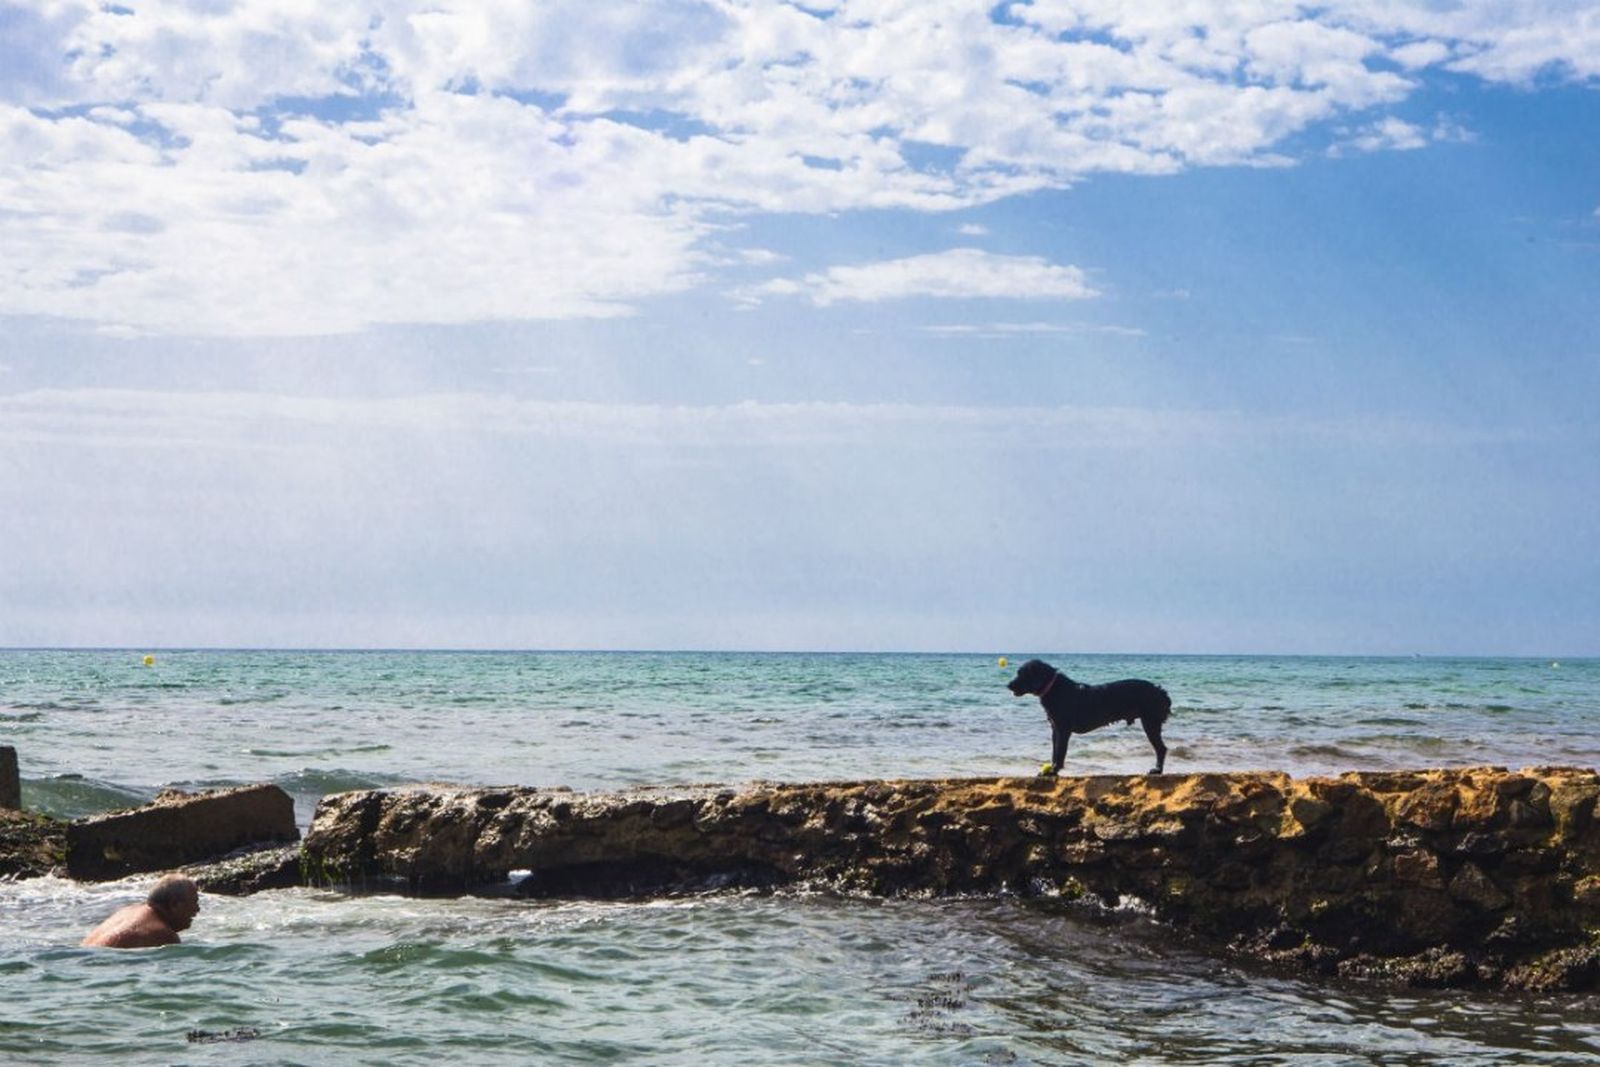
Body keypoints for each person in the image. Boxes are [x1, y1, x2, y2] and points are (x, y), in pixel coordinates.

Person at [81, 875, 200, 948]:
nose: (197, 909)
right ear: (174, 904)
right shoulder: (163, 935)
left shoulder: (127, 911)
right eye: (194, 902)